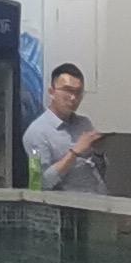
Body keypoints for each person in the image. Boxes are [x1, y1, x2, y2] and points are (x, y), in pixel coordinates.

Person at [24, 63, 108, 193]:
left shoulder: (84, 123)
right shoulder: (36, 133)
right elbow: (39, 183)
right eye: (68, 90)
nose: (73, 98)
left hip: (99, 197)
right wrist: (74, 153)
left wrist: (99, 153)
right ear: (52, 92)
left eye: (78, 92)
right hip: (69, 202)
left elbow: (99, 170)